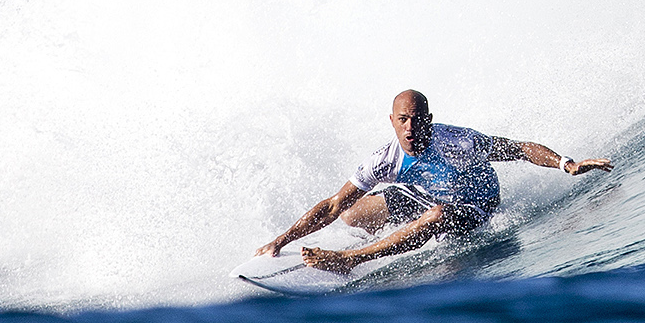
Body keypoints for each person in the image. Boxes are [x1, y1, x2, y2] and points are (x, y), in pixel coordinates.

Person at [255, 89, 613, 274]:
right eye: (402, 120)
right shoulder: (385, 160)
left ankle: (352, 259)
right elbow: (334, 205)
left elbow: (518, 149)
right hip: (424, 194)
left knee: (437, 215)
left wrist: (567, 164)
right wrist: (282, 239)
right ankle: (390, 237)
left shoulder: (457, 142)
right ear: (392, 121)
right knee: (351, 215)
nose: (410, 128)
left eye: (417, 119)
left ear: (429, 118)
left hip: (475, 204)